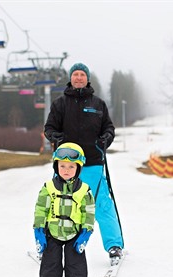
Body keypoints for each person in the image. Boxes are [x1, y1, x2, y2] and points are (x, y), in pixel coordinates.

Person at [43, 62, 124, 262]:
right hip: (66, 164)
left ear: (87, 79)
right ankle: (48, 245)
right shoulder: (60, 104)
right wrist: (57, 138)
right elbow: (49, 128)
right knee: (58, 205)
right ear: (71, 78)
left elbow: (109, 129)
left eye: (82, 75)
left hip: (93, 163)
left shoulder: (98, 104)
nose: (79, 77)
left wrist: (105, 139)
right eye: (75, 74)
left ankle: (114, 246)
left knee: (102, 205)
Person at [33, 142, 95, 277]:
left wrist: (86, 232)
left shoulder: (84, 190)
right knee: (49, 265)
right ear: (56, 166)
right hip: (52, 233)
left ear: (78, 167)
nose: (66, 170)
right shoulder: (49, 188)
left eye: (71, 166)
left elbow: (89, 212)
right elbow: (40, 208)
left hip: (75, 235)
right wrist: (39, 230)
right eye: (62, 166)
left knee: (75, 265)